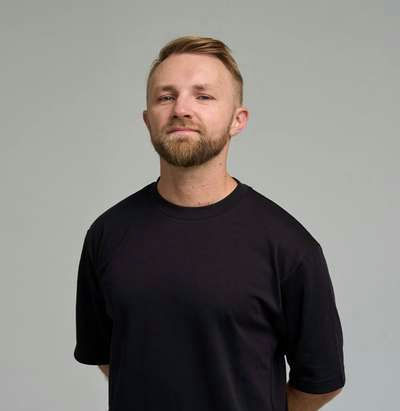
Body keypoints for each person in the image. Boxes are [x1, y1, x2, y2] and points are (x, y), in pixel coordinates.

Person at [73, 35, 346, 411]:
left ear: (238, 120)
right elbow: (110, 359)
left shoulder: (289, 246)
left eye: (203, 96)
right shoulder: (107, 234)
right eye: (165, 97)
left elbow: (320, 383)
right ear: (148, 120)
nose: (181, 109)